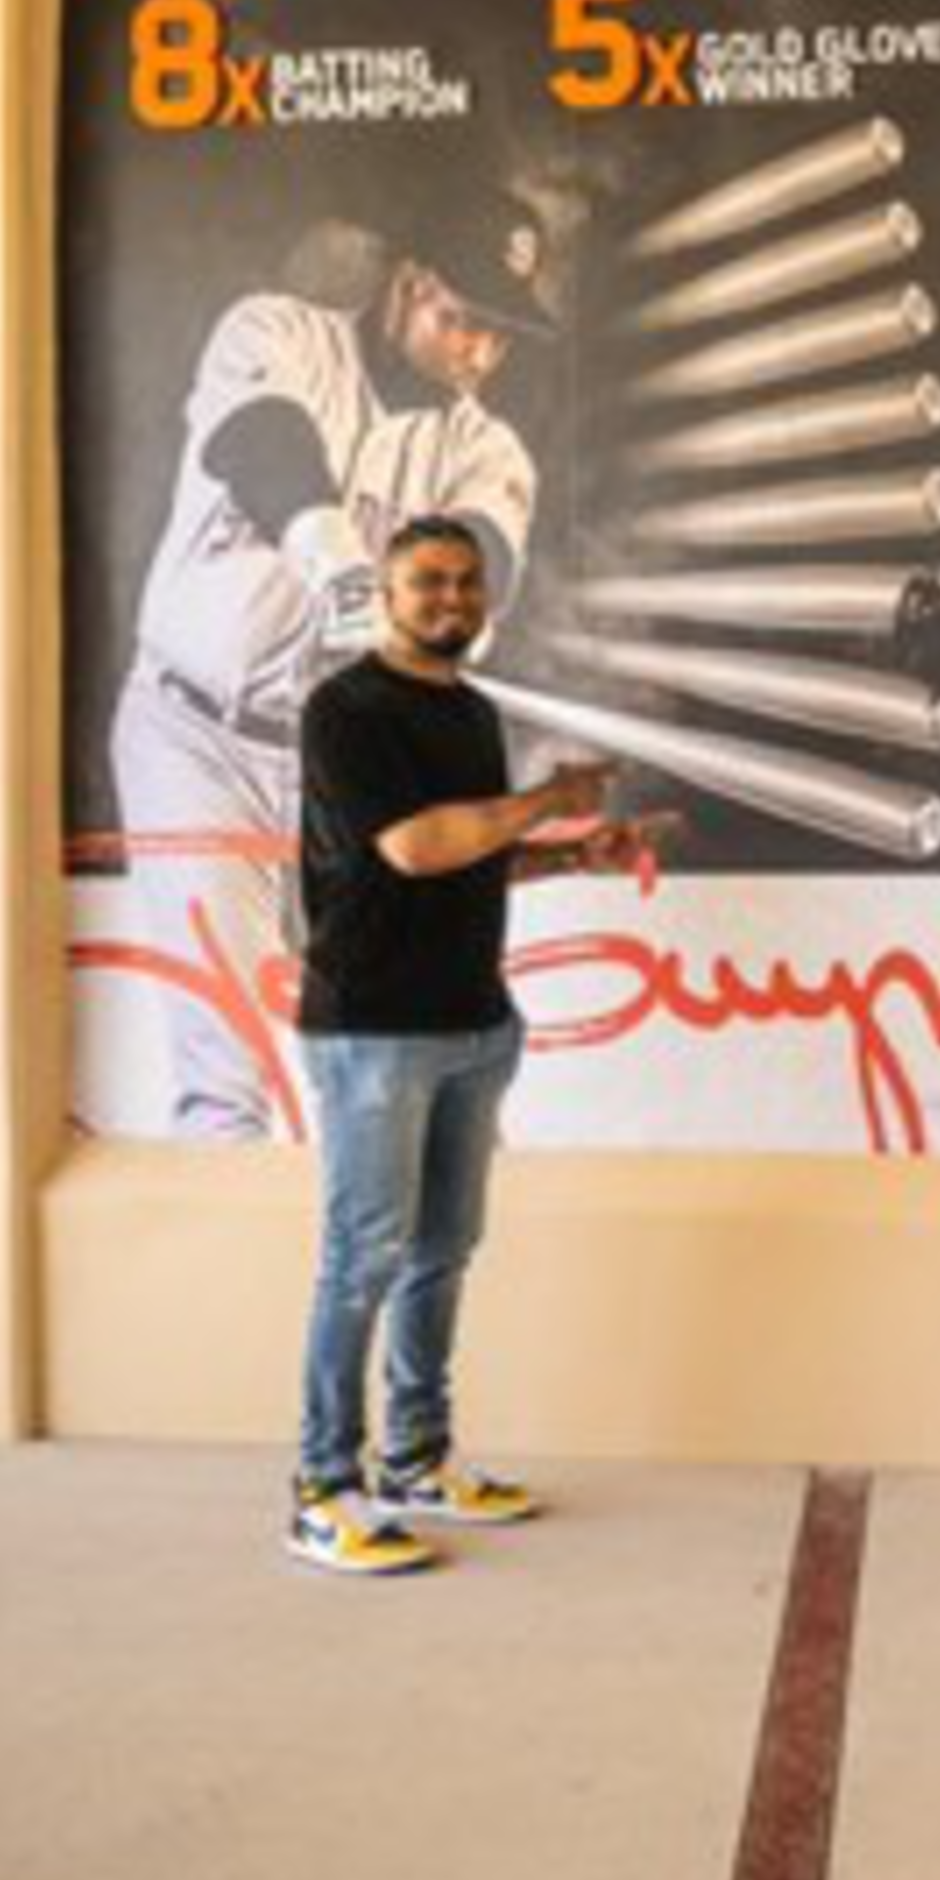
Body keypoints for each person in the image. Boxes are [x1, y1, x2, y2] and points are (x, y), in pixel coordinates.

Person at [110, 201, 559, 1140]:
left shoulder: (485, 447)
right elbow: (263, 440)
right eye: (462, 314)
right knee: (225, 1078)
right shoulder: (275, 333)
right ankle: (228, 1282)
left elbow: (484, 561)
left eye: (499, 332)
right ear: (407, 284)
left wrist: (418, 623)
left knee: (391, 1072)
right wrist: (342, 569)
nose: (478, 349)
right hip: (197, 741)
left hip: (349, 777)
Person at [285, 514, 669, 1577]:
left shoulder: (470, 712)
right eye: (427, 583)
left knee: (441, 1249)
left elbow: (471, 856)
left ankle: (414, 1458)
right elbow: (414, 847)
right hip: (374, 1030)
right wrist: (549, 797)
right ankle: (322, 1488)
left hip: (471, 1022)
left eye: (466, 583)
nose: (450, 600)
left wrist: (570, 853)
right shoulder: (345, 708)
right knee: (361, 1257)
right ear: (384, 591)